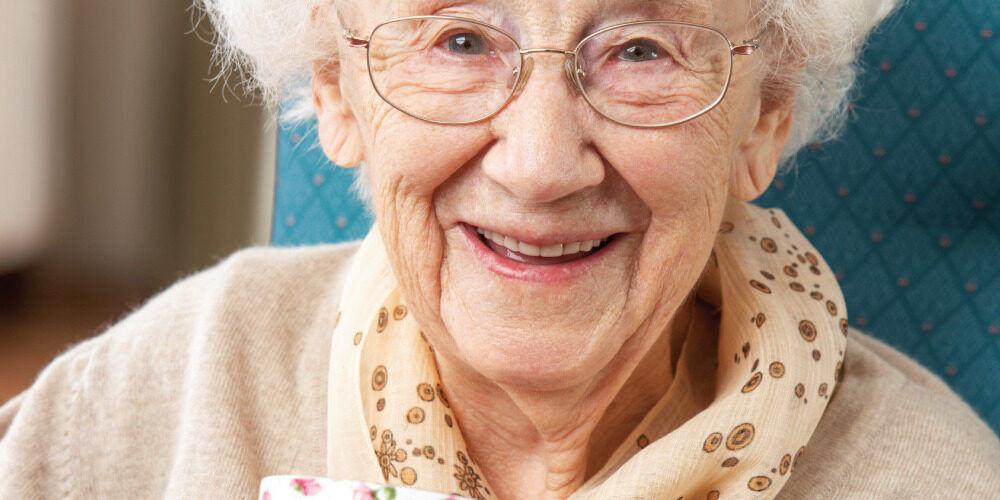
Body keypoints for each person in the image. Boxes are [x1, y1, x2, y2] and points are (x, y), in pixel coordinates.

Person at [2, 0, 999, 498]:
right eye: (461, 41)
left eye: (639, 49)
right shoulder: (170, 389)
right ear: (334, 90)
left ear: (764, 117)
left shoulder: (929, 477)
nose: (539, 166)